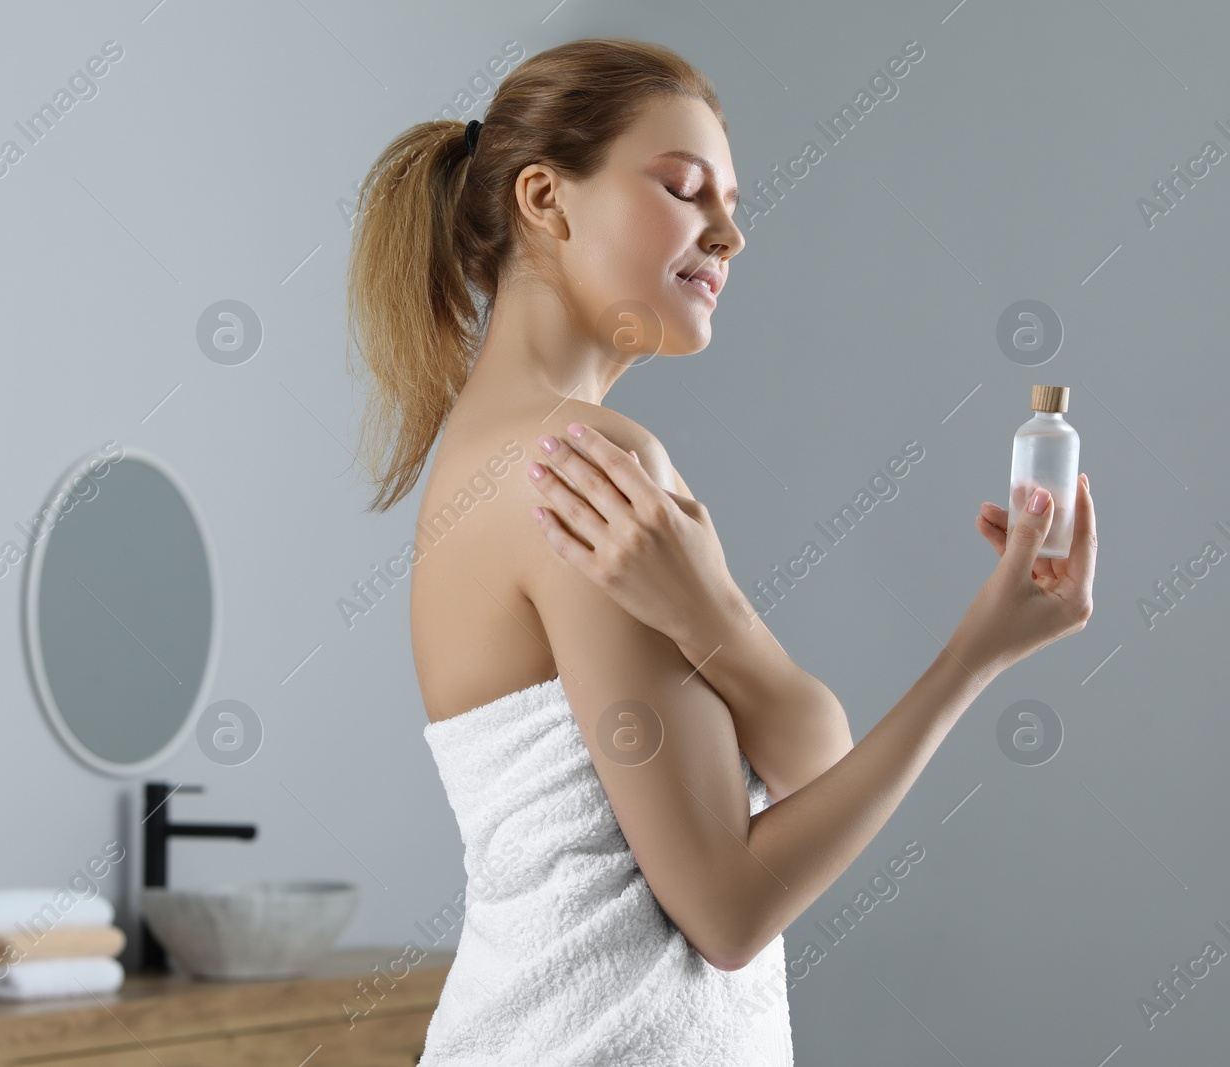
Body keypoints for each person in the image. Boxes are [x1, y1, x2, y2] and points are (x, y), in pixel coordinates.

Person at [345, 37, 1096, 1066]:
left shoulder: (493, 452)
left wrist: (715, 619)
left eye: (731, 200)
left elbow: (809, 767)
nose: (730, 233)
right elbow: (730, 909)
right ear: (545, 198)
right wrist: (977, 651)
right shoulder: (585, 461)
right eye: (684, 187)